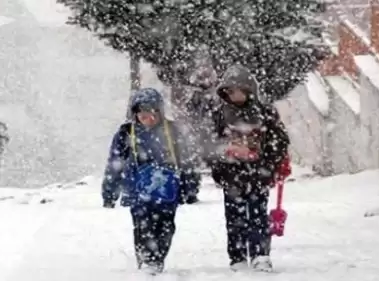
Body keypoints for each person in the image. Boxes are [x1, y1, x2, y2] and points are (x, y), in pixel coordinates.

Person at [101, 88, 199, 275]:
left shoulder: (173, 131)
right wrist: (109, 192)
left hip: (168, 192)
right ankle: (147, 259)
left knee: (166, 226)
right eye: (143, 115)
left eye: (153, 114)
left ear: (160, 112)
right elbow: (114, 164)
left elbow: (187, 160)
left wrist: (190, 187)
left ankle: (158, 257)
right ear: (135, 114)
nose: (148, 119)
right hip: (138, 192)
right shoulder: (126, 133)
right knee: (142, 225)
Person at [203, 64, 290, 272]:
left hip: (259, 174)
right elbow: (210, 144)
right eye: (230, 91)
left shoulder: (265, 113)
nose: (235, 95)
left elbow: (279, 140)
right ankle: (238, 256)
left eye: (239, 90)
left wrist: (270, 162)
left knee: (258, 215)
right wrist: (220, 163)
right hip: (232, 175)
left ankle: (261, 254)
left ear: (250, 90)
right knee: (235, 218)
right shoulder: (220, 115)